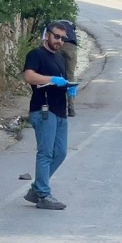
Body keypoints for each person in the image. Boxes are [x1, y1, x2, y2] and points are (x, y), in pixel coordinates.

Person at [21, 21, 77, 210]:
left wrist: (69, 87)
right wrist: (51, 79)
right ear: (47, 35)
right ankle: (43, 194)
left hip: (60, 111)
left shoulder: (59, 58)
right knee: (45, 153)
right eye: (56, 36)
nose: (59, 41)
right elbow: (29, 76)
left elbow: (61, 81)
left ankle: (37, 188)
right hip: (43, 110)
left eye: (63, 38)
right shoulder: (36, 54)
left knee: (60, 153)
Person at [59, 20, 79, 118]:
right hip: (71, 46)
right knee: (70, 77)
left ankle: (59, 107)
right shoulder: (71, 24)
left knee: (57, 75)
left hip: (58, 46)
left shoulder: (53, 25)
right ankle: (71, 108)